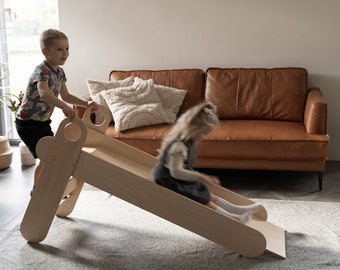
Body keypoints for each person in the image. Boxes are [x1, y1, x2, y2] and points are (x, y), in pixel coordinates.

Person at [15, 29, 98, 196]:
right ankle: (37, 192)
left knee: (53, 156)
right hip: (28, 123)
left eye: (67, 48)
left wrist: (85, 103)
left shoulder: (59, 72)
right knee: (47, 157)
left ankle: (47, 187)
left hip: (43, 123)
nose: (65, 53)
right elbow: (44, 93)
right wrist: (64, 107)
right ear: (45, 51)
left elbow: (66, 95)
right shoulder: (42, 70)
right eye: (60, 49)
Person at [152, 101, 261, 222]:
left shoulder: (188, 142)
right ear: (193, 129)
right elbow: (176, 172)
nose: (204, 137)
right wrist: (200, 176)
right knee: (201, 198)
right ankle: (233, 218)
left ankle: (238, 210)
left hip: (175, 177)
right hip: (168, 180)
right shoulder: (178, 147)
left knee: (203, 190)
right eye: (203, 133)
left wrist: (199, 179)